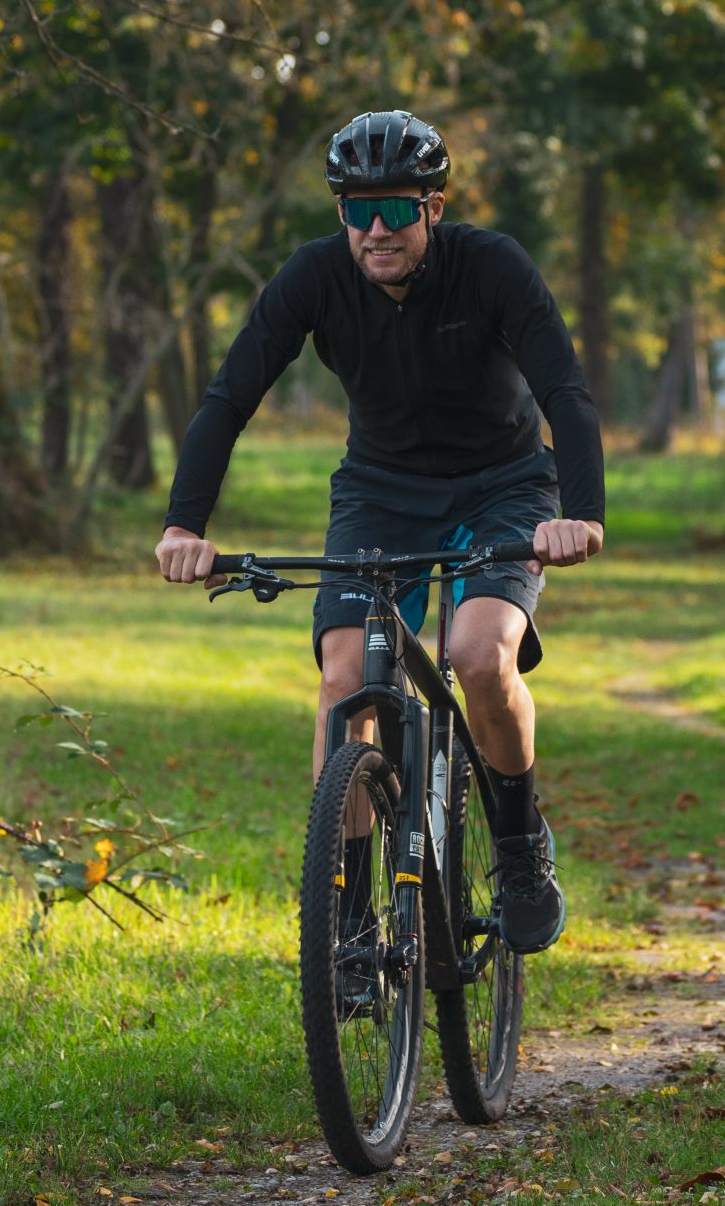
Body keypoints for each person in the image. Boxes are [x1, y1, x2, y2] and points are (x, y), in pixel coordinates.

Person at [155, 109, 605, 959]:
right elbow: (229, 396)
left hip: (504, 486)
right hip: (380, 491)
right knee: (342, 682)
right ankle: (351, 917)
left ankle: (517, 847)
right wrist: (186, 524)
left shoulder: (493, 267)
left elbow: (567, 394)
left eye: (396, 209)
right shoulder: (314, 278)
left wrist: (578, 514)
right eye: (356, 210)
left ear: (432, 208)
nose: (375, 229)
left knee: (478, 654)